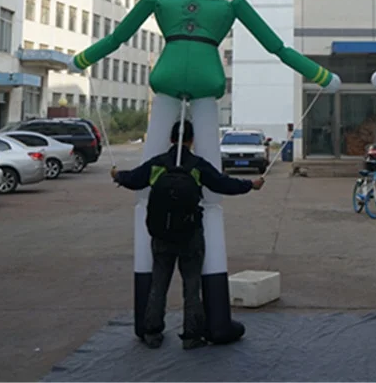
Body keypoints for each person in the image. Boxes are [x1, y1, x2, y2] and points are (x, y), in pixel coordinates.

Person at [111, 119, 264, 350]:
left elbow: (133, 179)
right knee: (192, 288)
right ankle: (191, 336)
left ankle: (152, 332)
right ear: (192, 140)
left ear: (171, 139)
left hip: (161, 236)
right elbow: (223, 184)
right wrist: (251, 185)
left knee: (158, 285)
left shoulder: (157, 164)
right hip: (190, 236)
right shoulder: (197, 165)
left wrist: (117, 175)